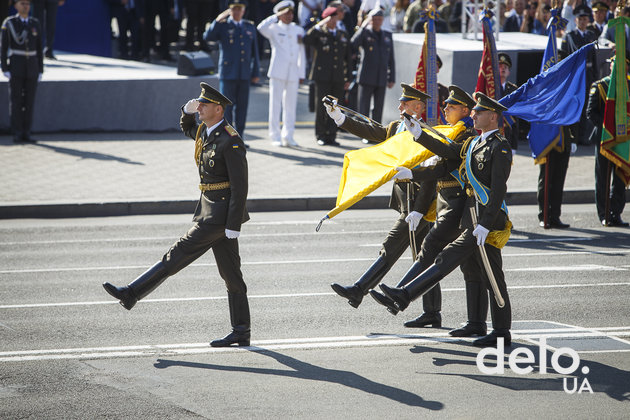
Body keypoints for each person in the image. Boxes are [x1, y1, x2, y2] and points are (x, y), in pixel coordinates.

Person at [103, 82, 251, 347]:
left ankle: (132, 292)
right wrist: (186, 110)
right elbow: (186, 128)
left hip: (218, 216)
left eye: (204, 105)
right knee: (231, 274)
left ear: (218, 109)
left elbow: (240, 187)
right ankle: (241, 330)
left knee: (178, 252)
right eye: (199, 104)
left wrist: (233, 224)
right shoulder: (207, 132)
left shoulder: (231, 140)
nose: (200, 107)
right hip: (209, 209)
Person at [371, 92, 514, 347]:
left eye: (478, 112)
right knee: (476, 270)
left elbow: (498, 190)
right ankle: (477, 323)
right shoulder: (474, 144)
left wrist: (485, 223)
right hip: (471, 218)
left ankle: (406, 295)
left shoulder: (499, 146)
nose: (473, 114)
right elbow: (446, 157)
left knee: (475, 269)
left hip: (487, 220)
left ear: (493, 117)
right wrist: (418, 142)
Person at [383, 86, 489, 333]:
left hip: (460, 204)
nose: (445, 109)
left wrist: (420, 138)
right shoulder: (452, 132)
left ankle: (402, 293)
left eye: (451, 107)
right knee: (470, 266)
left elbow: (446, 159)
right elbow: (440, 162)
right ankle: (473, 322)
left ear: (465, 110)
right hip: (447, 202)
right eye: (446, 106)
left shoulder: (466, 135)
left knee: (432, 247)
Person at [327, 83, 435, 311]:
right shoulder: (397, 127)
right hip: (405, 201)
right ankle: (431, 312)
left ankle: (359, 289)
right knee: (424, 257)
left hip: (419, 204)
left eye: (404, 103)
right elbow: (372, 131)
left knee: (393, 246)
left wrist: (420, 209)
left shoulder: (427, 133)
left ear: (418, 107)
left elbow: (429, 176)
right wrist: (340, 117)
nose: (399, 106)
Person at [204, 0, 260, 140]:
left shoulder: (249, 26)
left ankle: (239, 137)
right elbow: (208, 37)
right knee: (226, 108)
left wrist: (255, 72)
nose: (236, 12)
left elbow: (255, 52)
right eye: (233, 9)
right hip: (228, 73)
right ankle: (227, 137)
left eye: (239, 9)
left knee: (242, 108)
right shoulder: (223, 26)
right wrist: (218, 20)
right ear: (229, 10)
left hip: (244, 74)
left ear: (243, 10)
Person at [586, 58, 629, 227]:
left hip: (623, 139)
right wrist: (608, 128)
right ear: (611, 67)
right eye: (616, 65)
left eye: (624, 66)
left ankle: (616, 212)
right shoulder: (600, 86)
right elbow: (591, 113)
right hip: (604, 138)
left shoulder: (628, 86)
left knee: (619, 178)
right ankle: (604, 214)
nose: (619, 69)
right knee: (602, 177)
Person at [257, 1, 305, 147]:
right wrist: (276, 16)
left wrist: (301, 73)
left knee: (291, 106)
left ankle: (288, 135)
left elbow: (301, 53)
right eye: (286, 13)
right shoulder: (273, 28)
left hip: (293, 72)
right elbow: (260, 28)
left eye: (291, 13)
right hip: (278, 70)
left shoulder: (298, 30)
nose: (289, 16)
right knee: (275, 104)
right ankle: (275, 135)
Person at [303, 5, 352, 146]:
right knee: (321, 107)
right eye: (330, 18)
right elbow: (307, 39)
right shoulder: (320, 33)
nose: (333, 21)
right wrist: (319, 25)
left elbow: (347, 59)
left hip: (337, 77)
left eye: (335, 18)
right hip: (322, 76)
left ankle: (332, 135)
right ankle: (321, 134)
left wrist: (348, 77)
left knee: (335, 107)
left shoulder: (342, 34)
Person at [1, 0, 43, 144]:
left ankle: (27, 132)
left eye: (28, 4)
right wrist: (4, 68)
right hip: (16, 67)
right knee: (16, 101)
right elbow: (3, 47)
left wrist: (40, 69)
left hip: (31, 67)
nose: (26, 6)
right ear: (16, 6)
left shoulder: (34, 23)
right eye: (23, 3)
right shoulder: (10, 23)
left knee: (29, 102)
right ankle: (17, 133)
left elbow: (39, 49)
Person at [351, 8, 395, 125]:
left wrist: (392, 78)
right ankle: (364, 130)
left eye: (379, 19)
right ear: (370, 20)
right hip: (366, 76)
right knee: (364, 106)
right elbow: (353, 44)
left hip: (381, 77)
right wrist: (363, 27)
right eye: (374, 19)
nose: (377, 22)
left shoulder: (387, 36)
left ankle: (375, 131)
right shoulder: (365, 33)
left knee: (378, 107)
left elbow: (391, 58)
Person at [497, 52, 519, 151]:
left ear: (509, 72)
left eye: (506, 67)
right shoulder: (489, 89)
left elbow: (515, 120)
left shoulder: (514, 90)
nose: (503, 69)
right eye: (500, 66)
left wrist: (514, 145)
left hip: (507, 137)